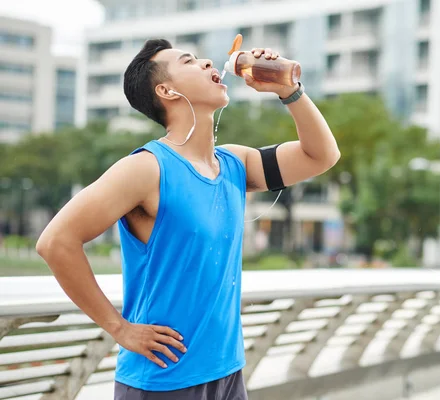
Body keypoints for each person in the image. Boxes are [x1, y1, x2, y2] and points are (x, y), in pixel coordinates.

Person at [36, 39, 340, 399]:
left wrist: (289, 91)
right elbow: (55, 242)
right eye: (189, 61)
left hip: (226, 373)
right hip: (164, 380)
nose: (208, 61)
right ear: (166, 90)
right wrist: (119, 328)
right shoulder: (146, 169)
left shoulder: (234, 165)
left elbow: (321, 156)